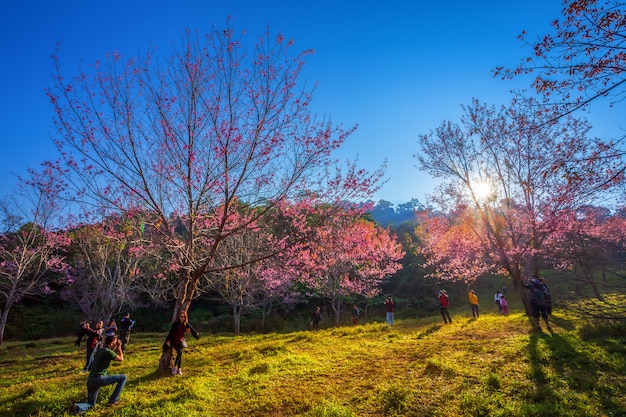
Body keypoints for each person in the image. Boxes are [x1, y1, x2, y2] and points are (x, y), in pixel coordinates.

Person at [69, 335, 126, 414]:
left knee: (91, 404)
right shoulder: (108, 352)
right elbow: (121, 359)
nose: (116, 345)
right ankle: (113, 401)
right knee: (123, 377)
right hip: (99, 379)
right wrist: (119, 347)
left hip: (91, 380)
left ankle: (77, 408)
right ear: (112, 343)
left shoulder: (100, 350)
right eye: (115, 343)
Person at [165, 310, 200, 376]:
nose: (182, 318)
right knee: (180, 353)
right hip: (174, 340)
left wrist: (196, 334)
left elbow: (192, 329)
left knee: (180, 355)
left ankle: (179, 369)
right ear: (179, 317)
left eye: (184, 317)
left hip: (181, 341)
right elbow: (171, 332)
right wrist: (168, 340)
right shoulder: (175, 324)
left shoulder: (185, 323)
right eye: (181, 316)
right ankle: (174, 367)